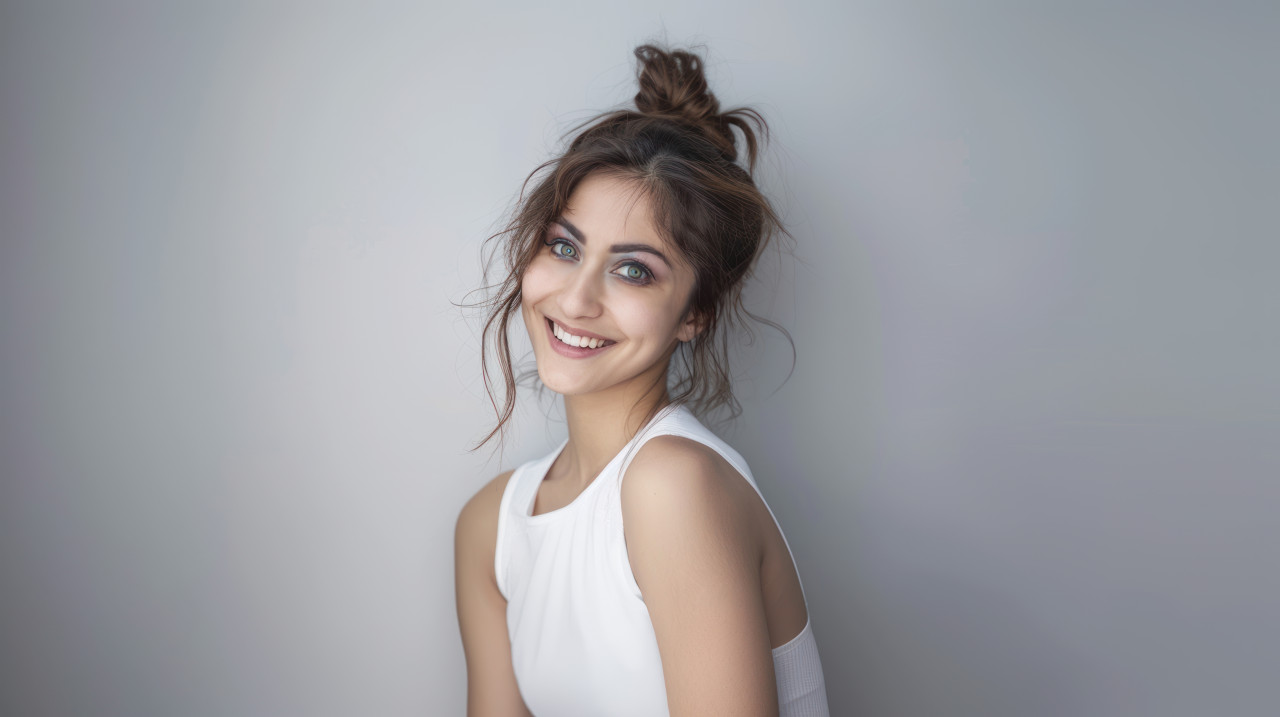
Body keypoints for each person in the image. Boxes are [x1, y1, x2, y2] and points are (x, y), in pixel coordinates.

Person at [454, 45, 829, 717]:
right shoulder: (493, 525)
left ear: (695, 314)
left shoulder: (673, 484)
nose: (574, 300)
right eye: (563, 247)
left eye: (634, 270)